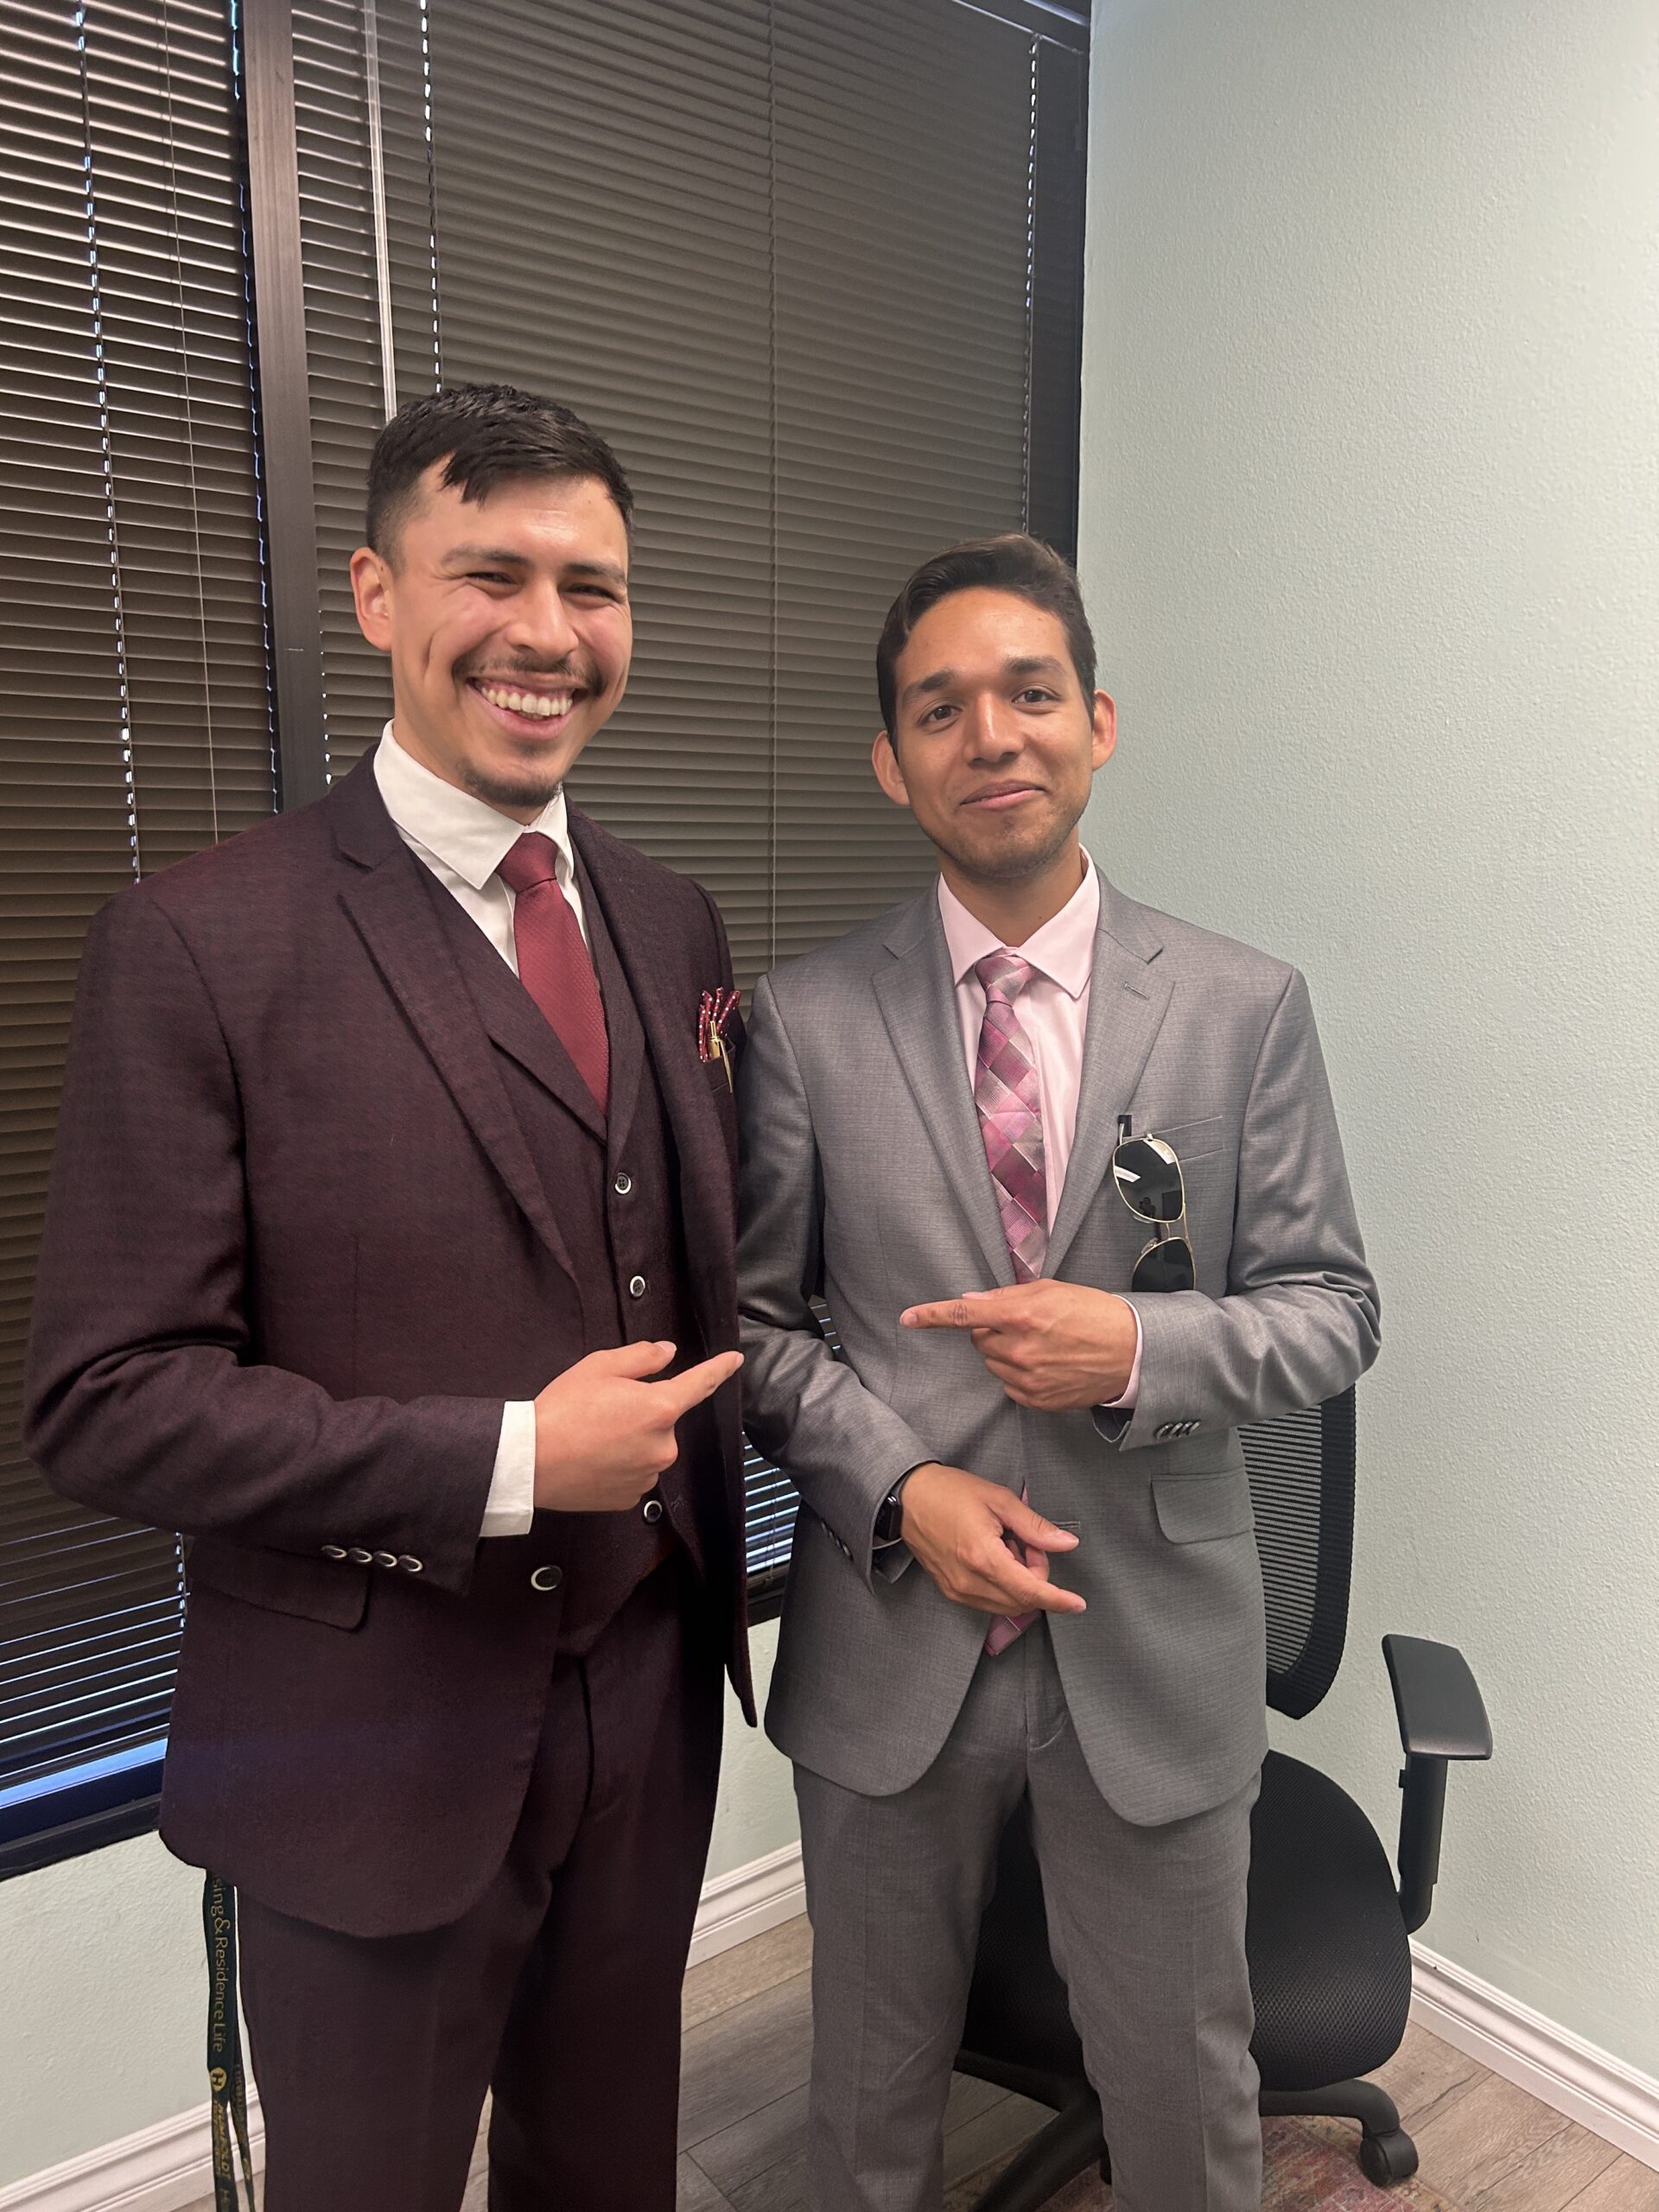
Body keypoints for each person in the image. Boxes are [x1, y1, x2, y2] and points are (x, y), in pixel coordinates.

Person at [25, 382, 748, 2212]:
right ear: (372, 590)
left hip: (648, 1713)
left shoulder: (673, 924)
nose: (546, 631)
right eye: (487, 572)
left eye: (592, 584)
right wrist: (510, 1454)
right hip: (363, 1747)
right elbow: (107, 1394)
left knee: (614, 2176)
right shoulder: (197, 940)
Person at [735, 533, 1381, 2212]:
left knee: (1184, 2101)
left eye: (1029, 692)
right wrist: (902, 1484)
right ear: (891, 761)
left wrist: (1137, 1345)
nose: (991, 734)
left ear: (1098, 721)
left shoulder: (1246, 1010)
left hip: (1150, 1643)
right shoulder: (804, 1025)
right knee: (868, 2106)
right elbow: (757, 1330)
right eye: (939, 708)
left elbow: (1332, 1308)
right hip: (894, 1640)